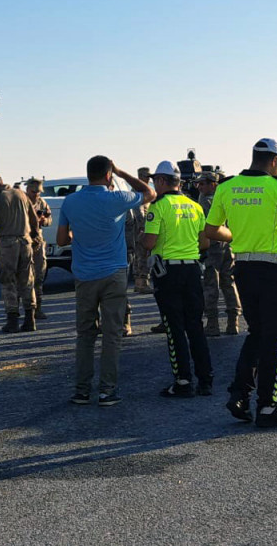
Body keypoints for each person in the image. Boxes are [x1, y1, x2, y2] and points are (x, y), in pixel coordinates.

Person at [204, 138, 277, 428]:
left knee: (257, 334)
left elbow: (212, 230)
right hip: (275, 271)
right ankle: (268, 407)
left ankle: (239, 394)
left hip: (244, 269)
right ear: (275, 160)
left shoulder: (226, 187)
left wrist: (236, 234)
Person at [57, 156, 155, 407]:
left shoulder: (71, 201)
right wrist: (122, 171)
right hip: (114, 274)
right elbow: (149, 192)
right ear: (109, 175)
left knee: (85, 334)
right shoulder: (117, 199)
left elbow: (61, 240)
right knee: (112, 334)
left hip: (84, 274)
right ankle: (106, 390)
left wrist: (79, 233)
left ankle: (81, 390)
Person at [142, 160, 213, 397]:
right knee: (195, 327)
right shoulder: (194, 205)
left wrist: (144, 238)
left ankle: (183, 381)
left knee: (174, 329)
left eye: (154, 180)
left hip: (168, 273)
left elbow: (149, 242)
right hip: (192, 270)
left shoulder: (158, 207)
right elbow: (205, 242)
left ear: (162, 181)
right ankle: (206, 379)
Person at [0, 174, 39, 333]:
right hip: (25, 241)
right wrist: (34, 236)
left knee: (8, 280)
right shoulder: (21, 194)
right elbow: (34, 218)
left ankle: (12, 319)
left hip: (8, 243)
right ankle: (30, 319)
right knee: (27, 280)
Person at [196, 171, 241, 336]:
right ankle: (233, 322)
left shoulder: (205, 202)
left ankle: (213, 324)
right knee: (229, 282)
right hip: (228, 244)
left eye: (203, 183)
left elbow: (206, 228)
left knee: (210, 285)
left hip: (212, 246)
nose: (200, 187)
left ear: (213, 184)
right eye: (199, 184)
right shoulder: (226, 198)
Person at [25, 178, 52, 318]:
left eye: (38, 192)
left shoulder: (42, 202)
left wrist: (43, 220)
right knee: (24, 277)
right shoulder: (22, 201)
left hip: (38, 240)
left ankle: (38, 308)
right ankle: (25, 309)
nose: (36, 194)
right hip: (24, 240)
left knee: (39, 275)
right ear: (28, 190)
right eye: (33, 191)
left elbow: (49, 218)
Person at [130, 166, 154, 296]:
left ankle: (139, 283)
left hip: (141, 228)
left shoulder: (143, 191)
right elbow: (138, 212)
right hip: (140, 228)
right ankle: (142, 283)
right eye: (146, 177)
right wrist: (143, 227)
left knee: (139, 256)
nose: (148, 180)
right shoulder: (138, 193)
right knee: (142, 256)